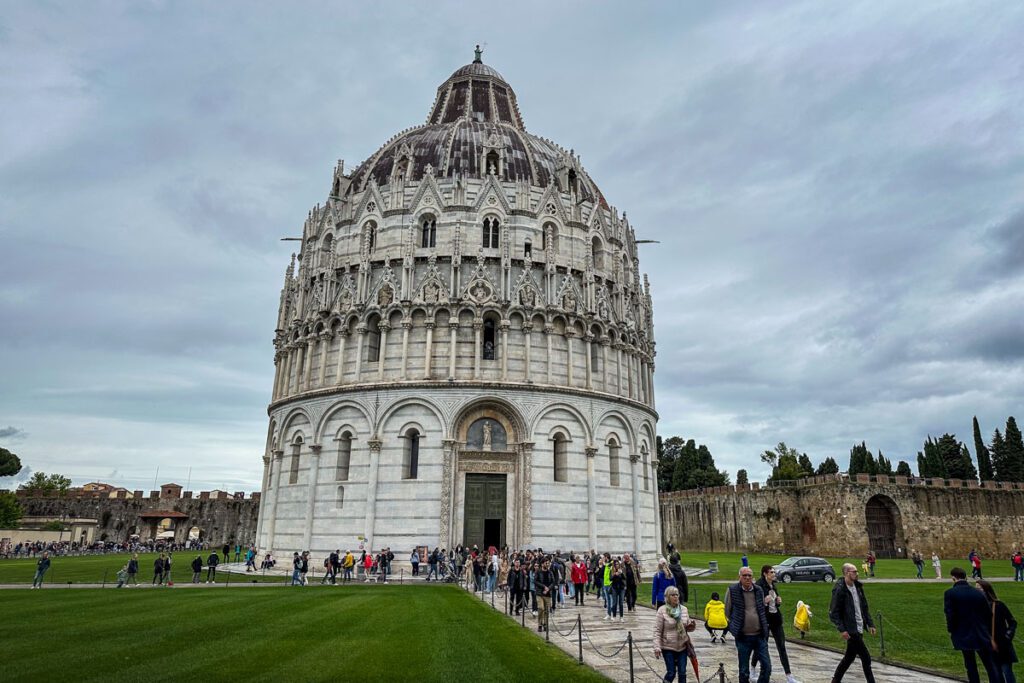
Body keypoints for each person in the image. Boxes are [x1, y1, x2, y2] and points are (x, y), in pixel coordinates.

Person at [945, 567, 1001, 683]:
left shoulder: (950, 593)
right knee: (989, 664)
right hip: (980, 631)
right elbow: (988, 613)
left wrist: (951, 630)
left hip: (963, 632)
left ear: (953, 578)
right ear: (965, 577)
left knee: (970, 665)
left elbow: (950, 614)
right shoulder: (978, 593)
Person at [828, 563, 877, 683]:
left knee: (849, 658)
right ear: (846, 573)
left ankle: (835, 680)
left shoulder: (858, 587)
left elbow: (864, 607)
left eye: (857, 571)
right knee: (866, 658)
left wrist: (870, 624)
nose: (857, 573)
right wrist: (842, 629)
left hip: (859, 627)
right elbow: (833, 612)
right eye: (854, 571)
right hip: (851, 629)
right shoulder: (840, 589)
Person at [754, 565, 800, 683]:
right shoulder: (759, 585)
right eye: (771, 572)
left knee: (782, 646)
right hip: (765, 620)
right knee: (762, 646)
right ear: (765, 573)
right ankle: (753, 668)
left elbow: (774, 603)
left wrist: (778, 601)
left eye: (774, 572)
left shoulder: (773, 585)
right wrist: (764, 602)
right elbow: (756, 604)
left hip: (776, 619)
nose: (774, 574)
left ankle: (789, 676)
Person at [724, 567, 771, 683]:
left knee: (767, 666)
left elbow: (761, 609)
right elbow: (727, 611)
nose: (747, 578)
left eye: (749, 575)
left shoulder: (758, 590)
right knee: (744, 671)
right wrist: (736, 624)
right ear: (739, 577)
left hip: (759, 636)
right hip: (743, 637)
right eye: (744, 575)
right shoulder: (732, 590)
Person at [978, 579, 1018, 683]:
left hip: (1002, 642)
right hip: (988, 643)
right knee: (995, 673)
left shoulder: (998, 605)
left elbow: (1012, 622)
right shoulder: (978, 607)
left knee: (1007, 671)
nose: (977, 591)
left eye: (979, 589)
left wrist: (1008, 636)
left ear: (986, 590)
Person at [654, 585, 694, 682]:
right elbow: (657, 631)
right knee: (671, 673)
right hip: (668, 646)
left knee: (682, 673)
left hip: (682, 646)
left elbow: (687, 627)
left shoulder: (684, 609)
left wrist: (691, 626)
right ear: (667, 597)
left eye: (677, 594)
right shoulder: (662, 610)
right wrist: (657, 647)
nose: (676, 597)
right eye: (673, 595)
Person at [535, 557, 554, 633]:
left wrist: (548, 588)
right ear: (542, 564)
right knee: (541, 608)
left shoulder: (550, 572)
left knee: (546, 610)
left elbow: (553, 582)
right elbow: (536, 581)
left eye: (548, 563)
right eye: (546, 563)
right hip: (540, 593)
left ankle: (545, 624)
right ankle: (540, 624)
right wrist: (544, 587)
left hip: (548, 594)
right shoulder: (538, 572)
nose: (547, 564)